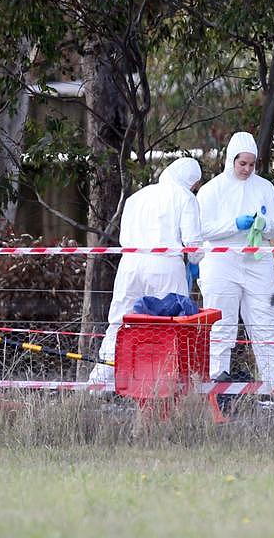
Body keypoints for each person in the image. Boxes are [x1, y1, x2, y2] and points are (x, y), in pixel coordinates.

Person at [88, 156, 204, 384]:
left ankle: (100, 382)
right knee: (169, 325)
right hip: (164, 266)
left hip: (130, 265)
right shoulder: (185, 197)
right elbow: (193, 244)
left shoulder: (136, 197)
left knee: (120, 322)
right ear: (191, 182)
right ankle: (160, 383)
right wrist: (196, 260)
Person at [197, 131, 274, 382]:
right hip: (221, 263)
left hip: (257, 262)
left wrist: (264, 225)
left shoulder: (264, 188)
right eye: (242, 163)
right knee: (220, 322)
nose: (247, 169)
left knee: (266, 322)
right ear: (231, 160)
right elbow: (202, 228)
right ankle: (217, 381)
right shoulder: (212, 189)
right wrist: (234, 224)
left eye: (252, 164)